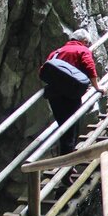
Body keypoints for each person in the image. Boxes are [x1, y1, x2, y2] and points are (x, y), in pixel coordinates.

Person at [39, 29, 104, 157]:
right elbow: (89, 67)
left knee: (63, 125)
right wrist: (97, 87)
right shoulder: (82, 50)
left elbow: (43, 71)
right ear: (84, 41)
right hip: (71, 94)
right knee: (71, 127)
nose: (88, 45)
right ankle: (67, 162)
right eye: (88, 43)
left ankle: (65, 158)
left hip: (54, 95)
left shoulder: (57, 52)